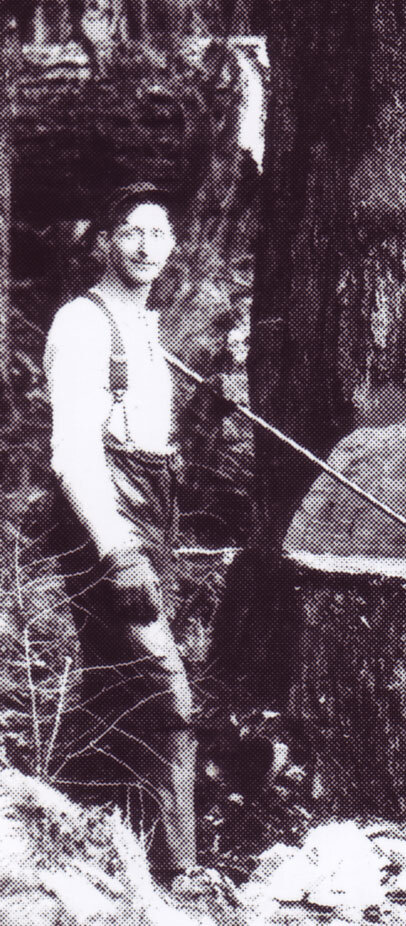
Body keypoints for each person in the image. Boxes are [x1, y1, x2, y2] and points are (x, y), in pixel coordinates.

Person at [45, 182, 197, 882]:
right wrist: (118, 548)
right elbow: (73, 452)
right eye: (131, 231)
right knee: (166, 693)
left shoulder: (143, 323)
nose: (145, 246)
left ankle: (75, 849)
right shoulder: (82, 323)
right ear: (105, 241)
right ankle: (178, 880)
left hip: (151, 510)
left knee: (114, 687)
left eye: (158, 232)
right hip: (104, 521)